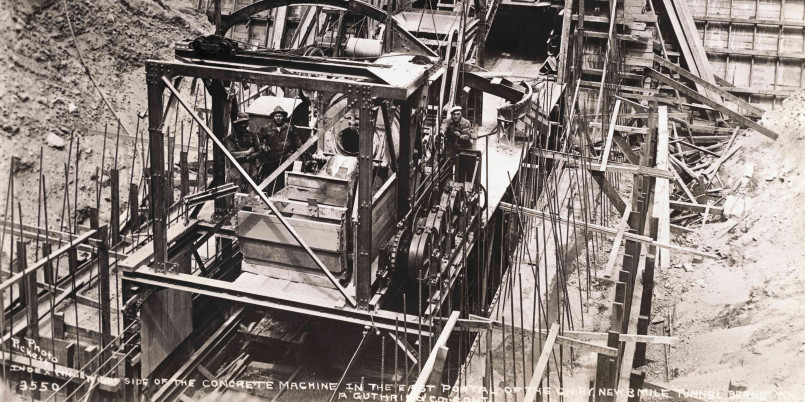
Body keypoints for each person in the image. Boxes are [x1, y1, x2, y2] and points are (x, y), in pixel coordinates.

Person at [256, 106, 300, 191]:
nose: (278, 118)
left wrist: (301, 149)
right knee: (271, 179)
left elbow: (296, 140)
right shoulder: (266, 128)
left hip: (285, 157)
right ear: (273, 117)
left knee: (284, 178)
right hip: (271, 158)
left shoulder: (289, 127)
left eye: (280, 116)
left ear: (283, 117)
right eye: (276, 116)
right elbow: (257, 139)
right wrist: (263, 146)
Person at [224, 112, 260, 191]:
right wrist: (246, 153)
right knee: (237, 190)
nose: (243, 125)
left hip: (251, 167)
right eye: (241, 123)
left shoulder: (253, 135)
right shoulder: (231, 138)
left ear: (247, 123)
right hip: (236, 167)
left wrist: (249, 157)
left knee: (251, 191)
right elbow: (231, 154)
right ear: (237, 124)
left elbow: (258, 150)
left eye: (245, 123)